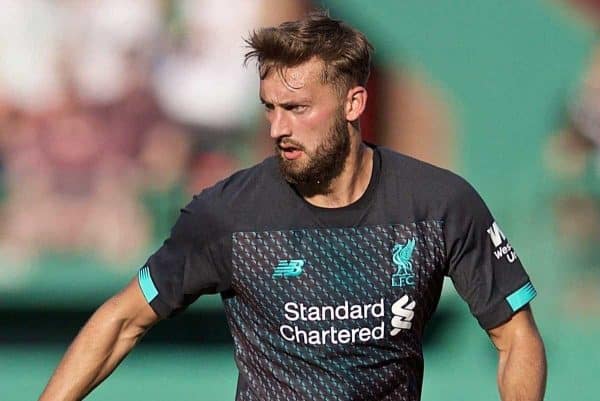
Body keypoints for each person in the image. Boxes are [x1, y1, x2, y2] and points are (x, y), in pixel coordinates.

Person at [39, 12, 547, 401]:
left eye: (297, 109)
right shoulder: (227, 216)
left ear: (353, 105)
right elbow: (122, 321)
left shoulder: (439, 205)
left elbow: (515, 338)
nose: (278, 128)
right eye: (270, 108)